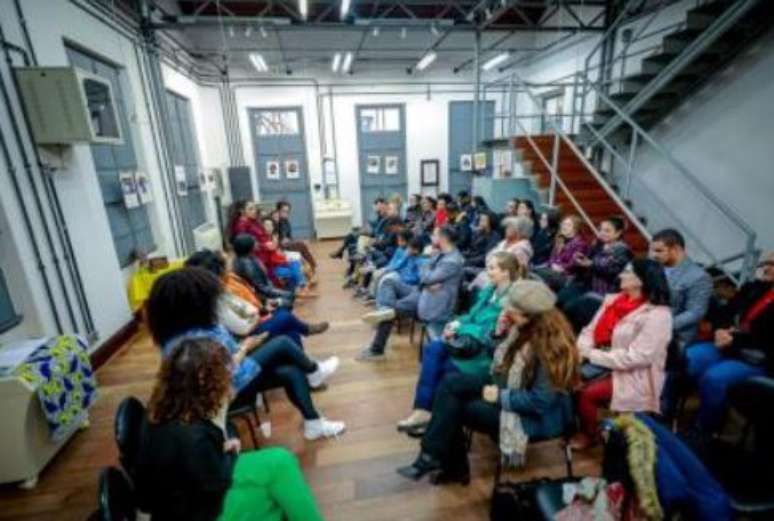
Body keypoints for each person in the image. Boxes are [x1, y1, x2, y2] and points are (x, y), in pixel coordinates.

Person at [396, 280, 579, 483]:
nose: (506, 311)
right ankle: (431, 457)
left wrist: (498, 396)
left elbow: (540, 402)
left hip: (538, 417)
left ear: (527, 314)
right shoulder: (522, 328)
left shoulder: (550, 348)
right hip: (508, 386)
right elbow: (499, 359)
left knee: (458, 407)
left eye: (510, 309)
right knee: (450, 383)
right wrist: (497, 334)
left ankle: (447, 466)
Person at [135, 338, 324, 521]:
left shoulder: (160, 410)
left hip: (172, 503)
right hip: (200, 509)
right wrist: (226, 457)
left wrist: (220, 449)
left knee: (276, 475)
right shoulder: (194, 437)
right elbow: (212, 489)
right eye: (224, 376)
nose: (229, 381)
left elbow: (181, 470)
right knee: (280, 466)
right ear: (206, 382)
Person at [145, 268, 345, 440]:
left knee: (291, 371)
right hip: (224, 393)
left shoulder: (181, 331)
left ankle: (313, 422)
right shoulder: (194, 341)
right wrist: (245, 348)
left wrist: (245, 347)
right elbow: (225, 376)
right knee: (283, 344)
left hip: (231, 377)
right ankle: (314, 372)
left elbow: (225, 357)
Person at [397, 252, 522, 432]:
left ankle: (434, 418)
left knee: (445, 368)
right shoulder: (489, 291)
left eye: (492, 268)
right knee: (433, 349)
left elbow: (488, 333)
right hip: (468, 343)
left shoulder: (512, 300)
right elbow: (471, 316)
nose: (487, 271)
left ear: (506, 272)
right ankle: (422, 410)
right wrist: (455, 324)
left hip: (484, 353)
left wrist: (459, 329)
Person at [572, 258, 673, 449]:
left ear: (641, 281)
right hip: (602, 358)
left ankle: (590, 435)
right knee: (563, 378)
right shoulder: (614, 300)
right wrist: (582, 349)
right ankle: (580, 425)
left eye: (627, 272)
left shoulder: (658, 314)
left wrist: (591, 355)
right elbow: (589, 331)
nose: (620, 275)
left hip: (634, 373)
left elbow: (639, 357)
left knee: (587, 393)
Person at [684, 252, 774, 435]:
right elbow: (725, 313)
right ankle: (665, 410)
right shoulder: (753, 287)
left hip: (755, 358)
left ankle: (704, 430)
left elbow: (767, 339)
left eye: (772, 264)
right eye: (766, 263)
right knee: (686, 359)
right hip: (725, 343)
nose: (766, 268)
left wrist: (734, 339)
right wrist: (720, 330)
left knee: (714, 378)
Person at [185, 250, 328, 350]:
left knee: (290, 331)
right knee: (285, 317)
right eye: (225, 260)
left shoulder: (227, 281)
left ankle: (309, 371)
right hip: (246, 337)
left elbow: (248, 301)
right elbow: (242, 325)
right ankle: (306, 331)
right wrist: (258, 314)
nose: (230, 260)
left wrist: (262, 308)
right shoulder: (219, 294)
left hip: (254, 318)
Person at [358, 226, 464, 361]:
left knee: (390, 312)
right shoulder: (442, 254)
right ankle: (388, 311)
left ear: (443, 238)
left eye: (434, 235)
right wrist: (429, 280)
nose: (431, 237)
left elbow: (425, 278)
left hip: (435, 304)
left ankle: (378, 345)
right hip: (425, 292)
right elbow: (427, 279)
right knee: (389, 283)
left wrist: (427, 275)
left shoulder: (451, 261)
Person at [559, 216, 633, 330]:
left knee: (571, 308)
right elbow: (589, 261)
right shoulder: (599, 244)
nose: (602, 233)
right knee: (560, 299)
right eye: (601, 229)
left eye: (607, 231)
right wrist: (582, 259)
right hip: (587, 284)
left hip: (604, 292)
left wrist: (591, 264)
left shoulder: (622, 251)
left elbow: (611, 271)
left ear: (618, 233)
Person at [650, 228, 713, 347]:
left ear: (676, 249)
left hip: (675, 336)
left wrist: (662, 326)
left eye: (659, 251)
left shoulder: (699, 277)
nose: (654, 255)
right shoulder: (655, 267)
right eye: (653, 251)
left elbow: (695, 312)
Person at [470, 216, 533, 289]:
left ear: (519, 232)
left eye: (510, 227)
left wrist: (493, 264)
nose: (506, 229)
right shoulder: (504, 242)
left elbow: (514, 274)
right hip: (489, 274)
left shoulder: (522, 250)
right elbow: (489, 256)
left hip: (502, 284)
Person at [231, 234, 294, 306]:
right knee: (288, 297)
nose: (257, 243)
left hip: (263, 290)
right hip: (259, 297)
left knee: (288, 292)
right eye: (255, 242)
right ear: (248, 246)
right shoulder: (247, 264)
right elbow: (260, 288)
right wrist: (281, 293)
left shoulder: (246, 257)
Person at [534, 214, 589, 290]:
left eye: (568, 225)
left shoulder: (581, 244)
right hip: (553, 270)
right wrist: (552, 264)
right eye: (563, 224)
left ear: (576, 228)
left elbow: (574, 264)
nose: (564, 227)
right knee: (534, 272)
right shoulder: (560, 239)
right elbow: (552, 257)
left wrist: (561, 268)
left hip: (567, 276)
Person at [276, 201, 317, 272]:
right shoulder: (277, 222)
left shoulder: (286, 221)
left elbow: (289, 237)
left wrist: (291, 241)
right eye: (283, 211)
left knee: (302, 245)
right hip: (281, 246)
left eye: (287, 212)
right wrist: (285, 241)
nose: (286, 213)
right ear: (278, 211)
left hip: (287, 244)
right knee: (301, 245)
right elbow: (279, 238)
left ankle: (311, 266)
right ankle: (312, 266)